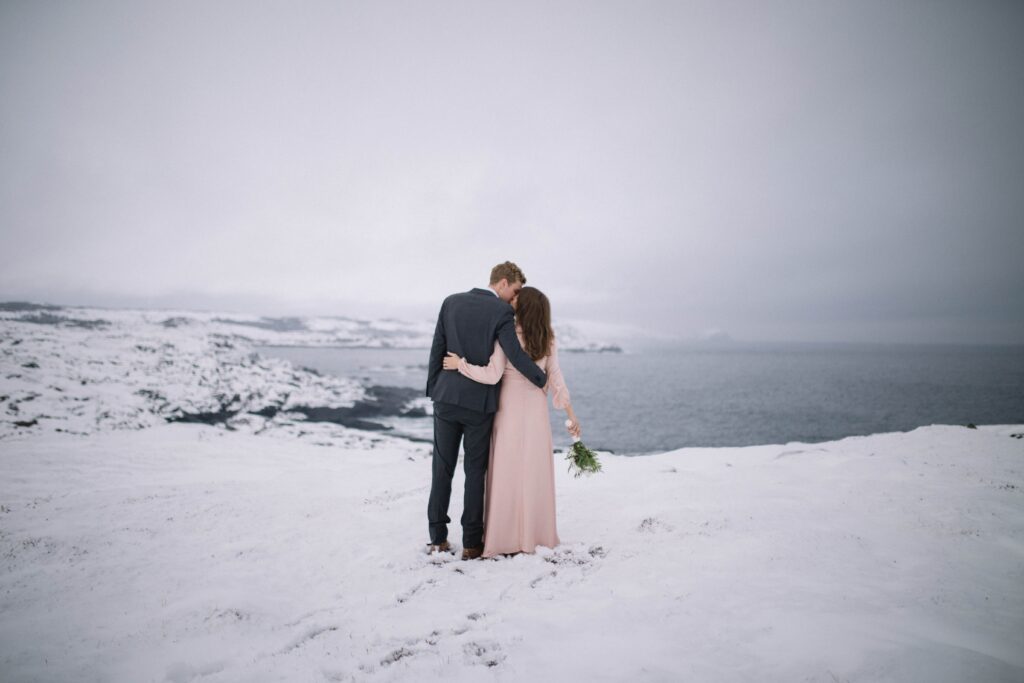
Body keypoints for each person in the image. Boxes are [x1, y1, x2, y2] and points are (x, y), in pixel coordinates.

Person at [442, 286, 580, 559]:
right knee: (533, 471)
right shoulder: (548, 337)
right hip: (536, 413)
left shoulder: (507, 334)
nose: (511, 301)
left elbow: (493, 375)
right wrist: (571, 417)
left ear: (524, 306)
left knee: (505, 471)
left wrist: (461, 365)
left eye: (517, 299)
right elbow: (556, 378)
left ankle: (504, 537)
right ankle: (534, 534)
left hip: (508, 410)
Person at [425, 262, 548, 560]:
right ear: (503, 282)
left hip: (445, 398)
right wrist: (540, 379)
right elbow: (515, 354)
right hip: (478, 405)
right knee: (475, 472)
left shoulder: (450, 302)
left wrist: (434, 387)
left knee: (441, 468)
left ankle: (437, 539)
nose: (515, 298)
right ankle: (471, 544)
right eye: (516, 290)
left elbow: (437, 347)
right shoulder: (501, 312)